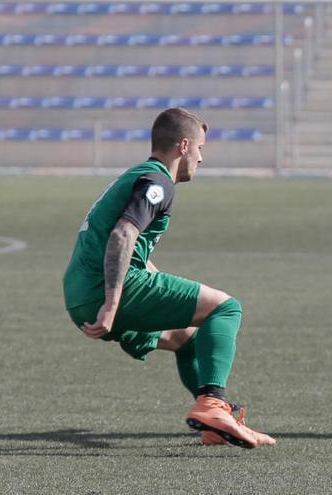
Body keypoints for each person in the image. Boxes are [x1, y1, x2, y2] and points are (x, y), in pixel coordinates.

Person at [62, 108, 275, 448]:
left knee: (187, 338)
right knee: (226, 308)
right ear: (183, 145)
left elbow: (131, 248)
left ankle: (215, 422)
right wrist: (111, 305)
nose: (201, 158)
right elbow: (121, 236)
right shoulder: (157, 181)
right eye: (200, 148)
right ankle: (213, 404)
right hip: (105, 290)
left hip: (78, 296)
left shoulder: (137, 175)